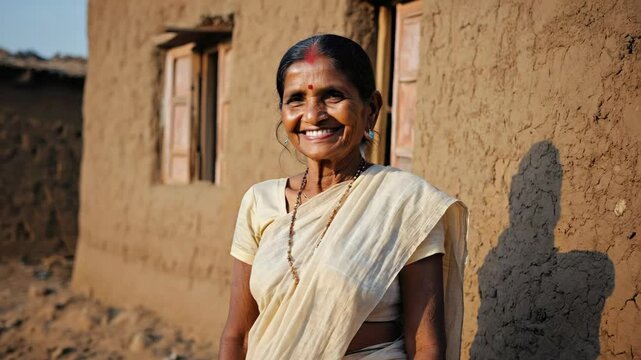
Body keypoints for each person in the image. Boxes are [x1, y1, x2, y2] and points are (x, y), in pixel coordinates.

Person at [219, 34, 468, 360]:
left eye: (332, 96)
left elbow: (426, 345)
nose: (313, 115)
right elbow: (237, 336)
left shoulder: (405, 204)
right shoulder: (259, 202)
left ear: (372, 109)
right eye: (296, 99)